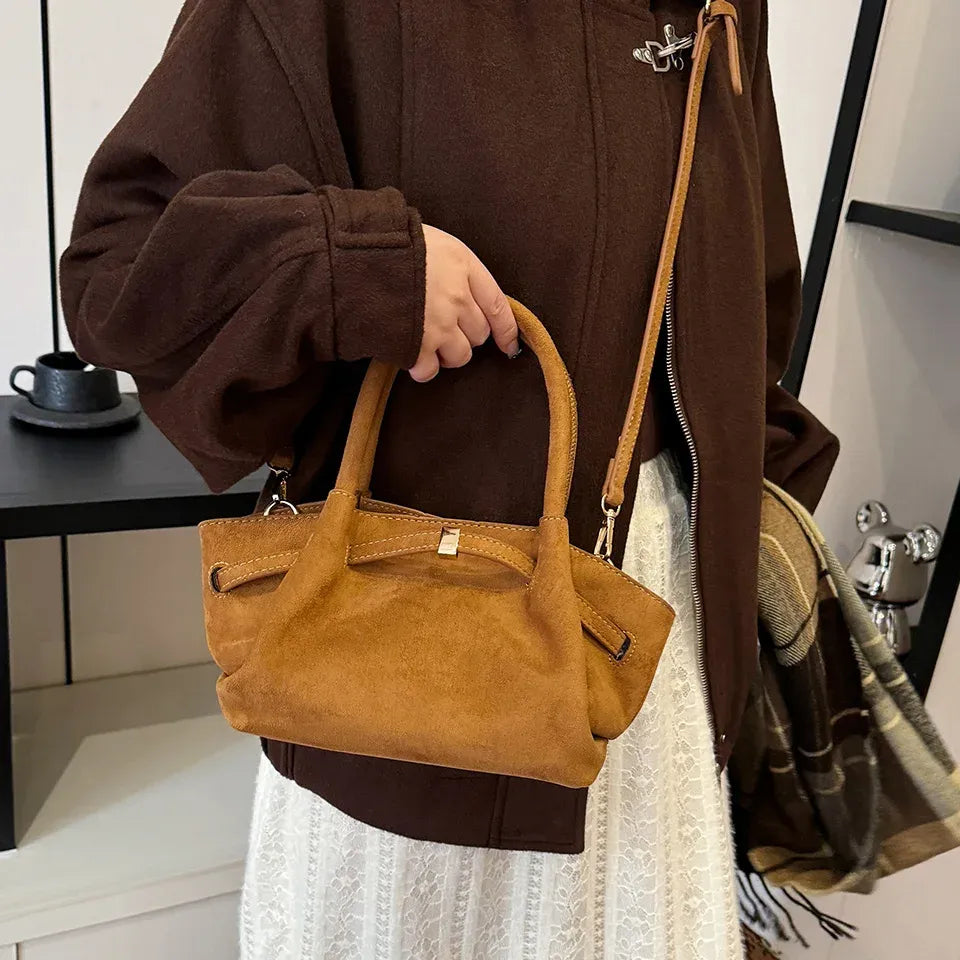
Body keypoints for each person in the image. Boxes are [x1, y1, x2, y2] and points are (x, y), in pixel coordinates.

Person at [60, 1, 839, 957]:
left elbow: (747, 309)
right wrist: (359, 269)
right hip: (400, 664)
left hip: (644, 651)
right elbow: (119, 268)